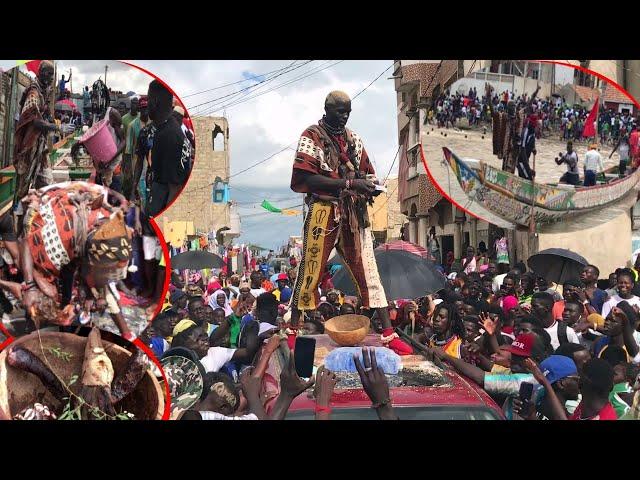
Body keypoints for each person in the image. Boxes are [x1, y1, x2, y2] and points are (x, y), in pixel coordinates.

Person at [287, 91, 412, 356]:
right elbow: (307, 179)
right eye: (339, 111)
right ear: (327, 109)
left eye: (347, 112)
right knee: (310, 269)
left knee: (369, 270)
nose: (344, 116)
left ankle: (388, 334)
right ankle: (292, 331)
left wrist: (369, 187)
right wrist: (350, 183)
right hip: (323, 210)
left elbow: (366, 172)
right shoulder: (312, 136)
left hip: (354, 212)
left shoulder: (353, 138)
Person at [0, 182, 135, 339]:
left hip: (76, 243)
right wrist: (31, 286)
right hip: (49, 230)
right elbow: (25, 243)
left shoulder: (112, 228)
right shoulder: (57, 240)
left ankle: (59, 322)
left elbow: (98, 273)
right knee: (43, 295)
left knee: (70, 294)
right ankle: (36, 331)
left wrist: (89, 296)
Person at [12, 61, 59, 228]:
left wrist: (50, 117)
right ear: (40, 74)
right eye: (47, 73)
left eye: (52, 74)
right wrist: (54, 126)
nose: (51, 77)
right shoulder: (33, 92)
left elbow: (43, 115)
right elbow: (34, 121)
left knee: (47, 186)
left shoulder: (43, 92)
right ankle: (16, 227)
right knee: (22, 189)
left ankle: (40, 225)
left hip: (40, 149)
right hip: (28, 148)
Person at [146, 80, 193, 217]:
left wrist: (161, 221)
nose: (147, 105)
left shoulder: (169, 136)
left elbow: (175, 188)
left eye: (148, 100)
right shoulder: (169, 128)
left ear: (154, 102)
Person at [120, 97, 140, 200]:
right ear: (130, 105)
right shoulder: (124, 119)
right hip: (127, 152)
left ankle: (135, 193)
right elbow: (122, 138)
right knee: (127, 174)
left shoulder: (140, 117)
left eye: (136, 104)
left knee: (137, 173)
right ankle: (126, 195)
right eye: (133, 103)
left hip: (138, 152)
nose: (134, 106)